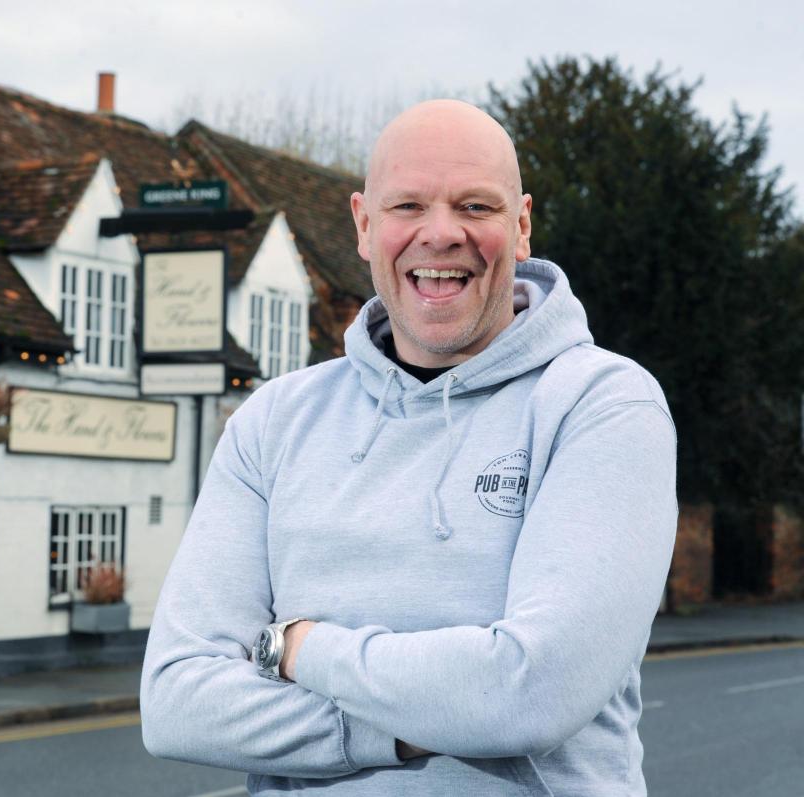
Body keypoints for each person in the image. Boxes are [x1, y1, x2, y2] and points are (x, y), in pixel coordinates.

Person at [140, 99, 677, 795]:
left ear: (521, 227)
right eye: (409, 206)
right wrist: (399, 729)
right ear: (365, 225)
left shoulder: (601, 403)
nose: (441, 233)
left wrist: (296, 647)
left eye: (476, 206)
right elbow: (178, 702)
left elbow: (531, 690)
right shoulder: (273, 420)